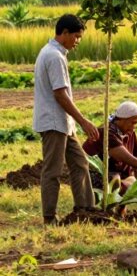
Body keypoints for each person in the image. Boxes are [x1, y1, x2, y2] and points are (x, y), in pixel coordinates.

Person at [33, 14, 99, 224]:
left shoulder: (54, 52)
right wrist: (83, 121)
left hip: (62, 123)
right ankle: (49, 218)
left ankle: (86, 209)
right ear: (64, 33)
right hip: (53, 122)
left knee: (80, 163)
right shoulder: (54, 56)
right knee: (52, 171)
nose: (78, 41)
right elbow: (60, 94)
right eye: (76, 37)